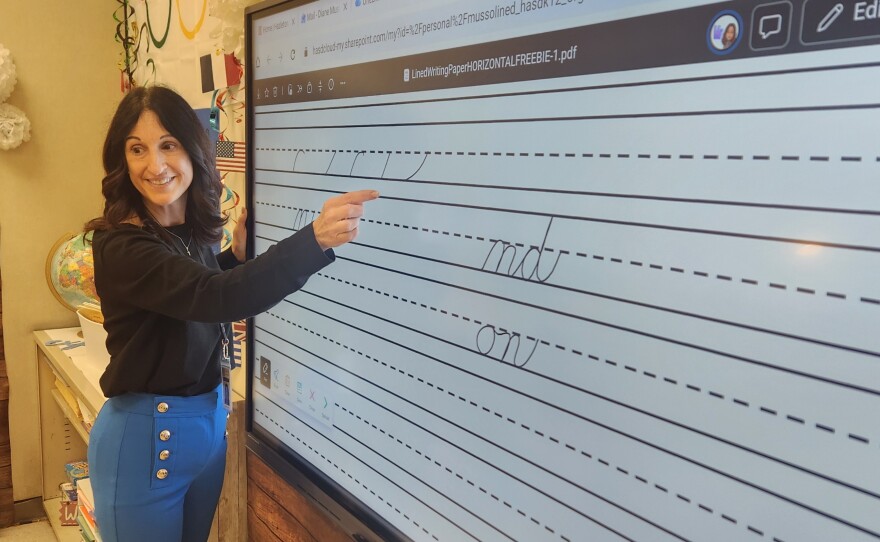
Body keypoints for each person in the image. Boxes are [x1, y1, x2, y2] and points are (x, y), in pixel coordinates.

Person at [83, 85, 378, 542]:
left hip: (206, 427)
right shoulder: (121, 244)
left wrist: (234, 259)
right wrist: (313, 240)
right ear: (121, 161)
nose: (154, 165)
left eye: (168, 145)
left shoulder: (190, 230)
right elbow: (214, 297)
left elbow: (186, 298)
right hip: (146, 441)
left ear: (193, 150)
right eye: (137, 149)